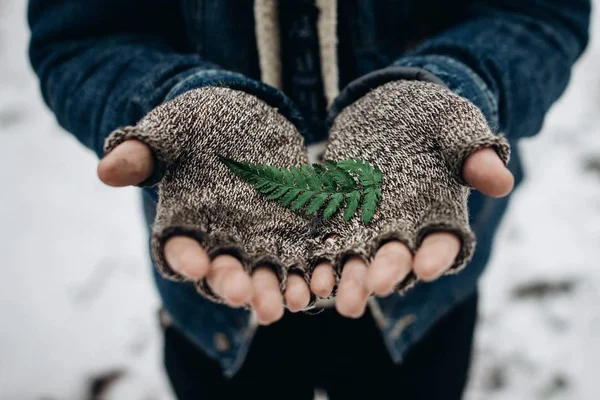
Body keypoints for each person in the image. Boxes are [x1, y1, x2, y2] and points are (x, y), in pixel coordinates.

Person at [28, 0, 589, 398]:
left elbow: (539, 13)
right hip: (217, 253)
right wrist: (171, 98)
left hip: (419, 262)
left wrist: (451, 86)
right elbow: (80, 33)